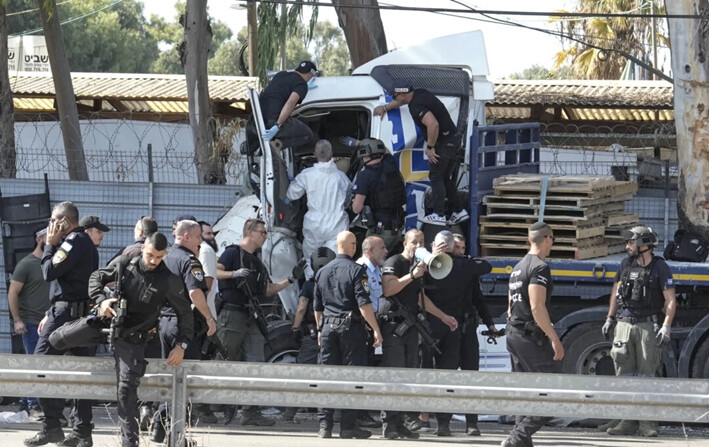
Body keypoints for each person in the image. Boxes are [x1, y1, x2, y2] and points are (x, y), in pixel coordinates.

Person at [88, 232, 194, 447]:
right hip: (109, 321)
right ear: (143, 246)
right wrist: (102, 301)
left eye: (159, 257)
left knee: (126, 388)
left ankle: (130, 442)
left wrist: (181, 345)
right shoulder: (126, 263)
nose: (154, 261)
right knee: (59, 339)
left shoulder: (168, 280)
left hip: (135, 338)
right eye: (150, 255)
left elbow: (185, 313)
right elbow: (95, 277)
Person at [25, 202, 99, 447]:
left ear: (65, 221)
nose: (51, 225)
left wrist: (49, 244)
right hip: (74, 315)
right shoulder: (79, 242)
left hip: (66, 317)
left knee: (40, 365)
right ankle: (81, 432)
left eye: (54, 220)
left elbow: (48, 272)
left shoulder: (73, 241)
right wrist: (50, 311)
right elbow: (65, 283)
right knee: (82, 375)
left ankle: (53, 427)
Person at [215, 218, 302, 426]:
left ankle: (250, 411)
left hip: (250, 314)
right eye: (262, 232)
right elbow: (215, 272)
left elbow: (267, 290)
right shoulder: (233, 253)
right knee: (223, 359)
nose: (265, 236)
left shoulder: (256, 262)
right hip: (232, 313)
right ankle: (205, 406)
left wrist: (290, 280)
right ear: (250, 232)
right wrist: (233, 273)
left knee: (255, 363)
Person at [379, 228, 458, 439]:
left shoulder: (419, 266)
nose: (418, 245)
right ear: (406, 243)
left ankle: (403, 421)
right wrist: (411, 275)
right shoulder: (395, 262)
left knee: (409, 374)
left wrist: (443, 316)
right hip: (394, 327)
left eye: (422, 241)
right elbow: (388, 289)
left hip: (411, 327)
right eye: (415, 242)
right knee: (394, 374)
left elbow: (418, 298)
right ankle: (389, 422)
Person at [601, 225, 676, 438]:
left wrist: (666, 325)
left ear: (644, 244)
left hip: (647, 326)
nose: (627, 246)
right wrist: (610, 318)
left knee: (647, 375)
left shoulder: (660, 267)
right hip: (624, 325)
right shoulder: (625, 264)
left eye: (631, 242)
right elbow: (615, 293)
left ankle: (647, 424)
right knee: (623, 375)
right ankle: (626, 421)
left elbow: (670, 299)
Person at [314, 231, 383, 439]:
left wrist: (319, 330)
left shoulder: (322, 271)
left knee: (327, 378)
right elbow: (363, 303)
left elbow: (317, 307)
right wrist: (376, 329)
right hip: (350, 330)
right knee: (351, 378)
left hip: (327, 329)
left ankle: (324, 426)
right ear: (353, 246)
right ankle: (348, 427)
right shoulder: (357, 270)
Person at [152, 219, 217, 442]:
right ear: (187, 236)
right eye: (198, 236)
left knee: (169, 378)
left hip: (164, 323)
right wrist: (209, 317)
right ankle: (177, 434)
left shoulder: (166, 257)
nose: (201, 241)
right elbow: (195, 293)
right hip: (182, 325)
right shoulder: (189, 260)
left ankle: (161, 428)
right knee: (184, 381)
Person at [501, 221, 564, 447]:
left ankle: (519, 442)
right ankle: (516, 438)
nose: (552, 244)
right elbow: (537, 307)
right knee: (555, 392)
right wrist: (554, 338)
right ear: (547, 239)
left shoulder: (518, 267)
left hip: (514, 333)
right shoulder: (539, 267)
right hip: (530, 336)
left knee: (527, 393)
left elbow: (509, 306)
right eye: (552, 240)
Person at [373, 80, 469, 227]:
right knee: (444, 177)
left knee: (436, 176)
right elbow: (400, 102)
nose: (395, 99)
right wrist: (385, 107)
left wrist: (430, 147)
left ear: (403, 94)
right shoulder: (420, 93)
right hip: (453, 139)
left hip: (443, 142)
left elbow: (433, 124)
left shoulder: (415, 106)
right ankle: (458, 211)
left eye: (395, 96)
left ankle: (439, 214)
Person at [282, 246, 336, 423]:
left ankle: (289, 413)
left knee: (303, 373)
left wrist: (296, 328)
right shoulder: (336, 280)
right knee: (334, 373)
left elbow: (301, 308)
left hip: (312, 334)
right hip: (334, 331)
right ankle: (336, 414)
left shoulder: (310, 284)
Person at [451, 233, 498, 436]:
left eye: (463, 248)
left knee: (471, 377)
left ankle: (472, 423)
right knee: (445, 375)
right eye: (457, 248)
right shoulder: (439, 266)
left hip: (468, 327)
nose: (461, 252)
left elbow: (479, 300)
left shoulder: (470, 271)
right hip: (448, 329)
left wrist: (491, 324)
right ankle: (441, 422)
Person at [286, 139, 351, 269]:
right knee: (335, 262)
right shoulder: (342, 178)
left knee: (311, 261)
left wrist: (291, 180)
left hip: (314, 224)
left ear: (314, 154)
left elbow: (292, 195)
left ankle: (312, 285)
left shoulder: (306, 175)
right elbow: (347, 200)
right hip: (337, 223)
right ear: (331, 154)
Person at [8, 224, 50, 417]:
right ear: (38, 239)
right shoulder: (26, 264)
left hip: (49, 323)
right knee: (35, 363)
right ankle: (34, 405)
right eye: (48, 236)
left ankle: (26, 402)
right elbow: (12, 293)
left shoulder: (53, 264)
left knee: (40, 363)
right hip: (31, 322)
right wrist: (17, 320)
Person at [350, 138, 407, 252]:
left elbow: (356, 208)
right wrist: (361, 143)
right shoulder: (390, 164)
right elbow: (385, 150)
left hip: (380, 232)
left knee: (369, 264)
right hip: (397, 228)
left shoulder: (365, 175)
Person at [260, 60, 317, 149]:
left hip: (259, 118)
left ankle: (265, 148)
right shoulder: (301, 84)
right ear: (310, 75)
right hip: (274, 120)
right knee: (308, 135)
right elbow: (290, 103)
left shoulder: (280, 75)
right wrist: (277, 125)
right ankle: (277, 144)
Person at [198, 220, 219, 318]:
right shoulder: (201, 249)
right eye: (208, 234)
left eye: (212, 233)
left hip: (203, 315)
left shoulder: (205, 250)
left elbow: (207, 284)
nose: (212, 236)